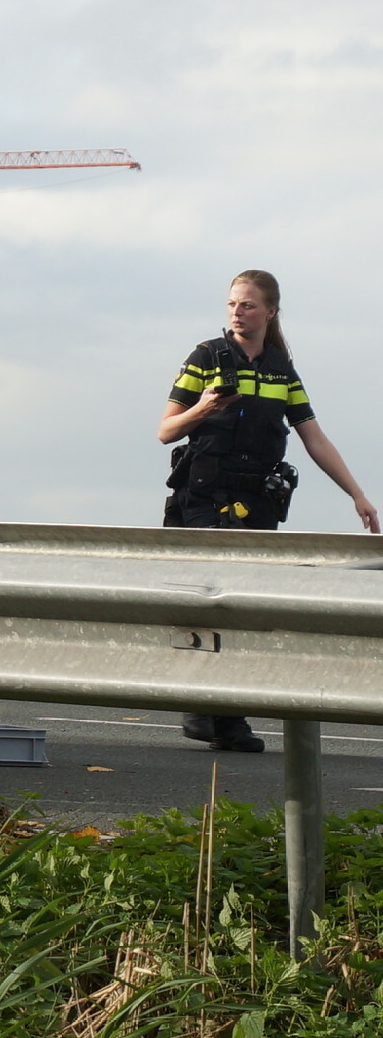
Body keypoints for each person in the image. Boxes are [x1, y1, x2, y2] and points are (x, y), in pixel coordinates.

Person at [159, 269, 378, 753]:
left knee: (243, 608)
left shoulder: (281, 370)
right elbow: (166, 430)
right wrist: (207, 407)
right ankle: (205, 710)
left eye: (249, 305)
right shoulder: (205, 358)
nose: (238, 312)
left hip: (255, 503)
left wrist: (357, 495)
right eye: (233, 304)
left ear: (271, 312)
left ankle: (227, 718)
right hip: (203, 499)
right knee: (208, 601)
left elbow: (314, 438)